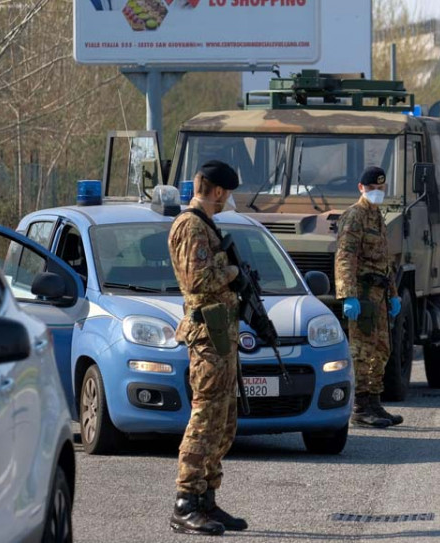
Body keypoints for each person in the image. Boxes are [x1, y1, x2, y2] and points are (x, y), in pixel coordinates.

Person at [168, 160, 248, 536]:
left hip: (221, 337)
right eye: (227, 193)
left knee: (223, 421)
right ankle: (185, 503)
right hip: (205, 338)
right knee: (204, 419)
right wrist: (233, 272)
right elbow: (199, 280)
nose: (227, 200)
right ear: (216, 191)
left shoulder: (208, 226)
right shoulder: (190, 226)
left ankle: (207, 500)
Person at [335, 166, 404, 428]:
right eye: (372, 188)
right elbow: (345, 257)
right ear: (361, 188)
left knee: (381, 349)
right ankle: (360, 406)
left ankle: (374, 402)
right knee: (362, 350)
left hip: (380, 294)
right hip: (362, 294)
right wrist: (347, 296)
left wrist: (394, 294)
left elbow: (386, 261)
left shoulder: (377, 216)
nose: (377, 193)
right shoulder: (355, 216)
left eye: (381, 188)